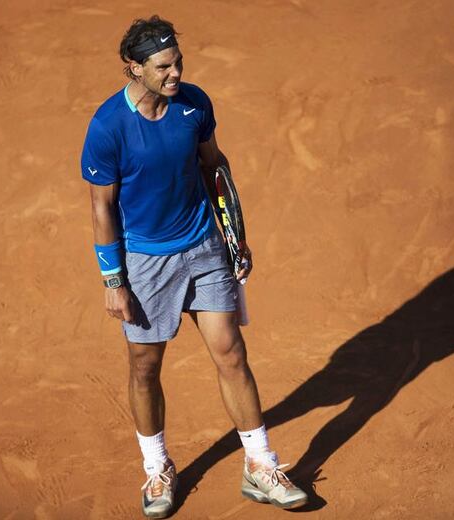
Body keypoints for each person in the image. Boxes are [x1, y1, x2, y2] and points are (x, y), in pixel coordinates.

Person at [80, 15, 308, 518]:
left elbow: (215, 166)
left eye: (178, 62)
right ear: (133, 69)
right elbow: (101, 209)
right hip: (144, 262)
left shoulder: (195, 104)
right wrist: (113, 280)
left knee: (231, 353)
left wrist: (234, 233)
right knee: (145, 367)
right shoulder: (107, 127)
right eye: (162, 66)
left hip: (203, 247)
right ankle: (157, 469)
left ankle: (260, 465)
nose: (175, 73)